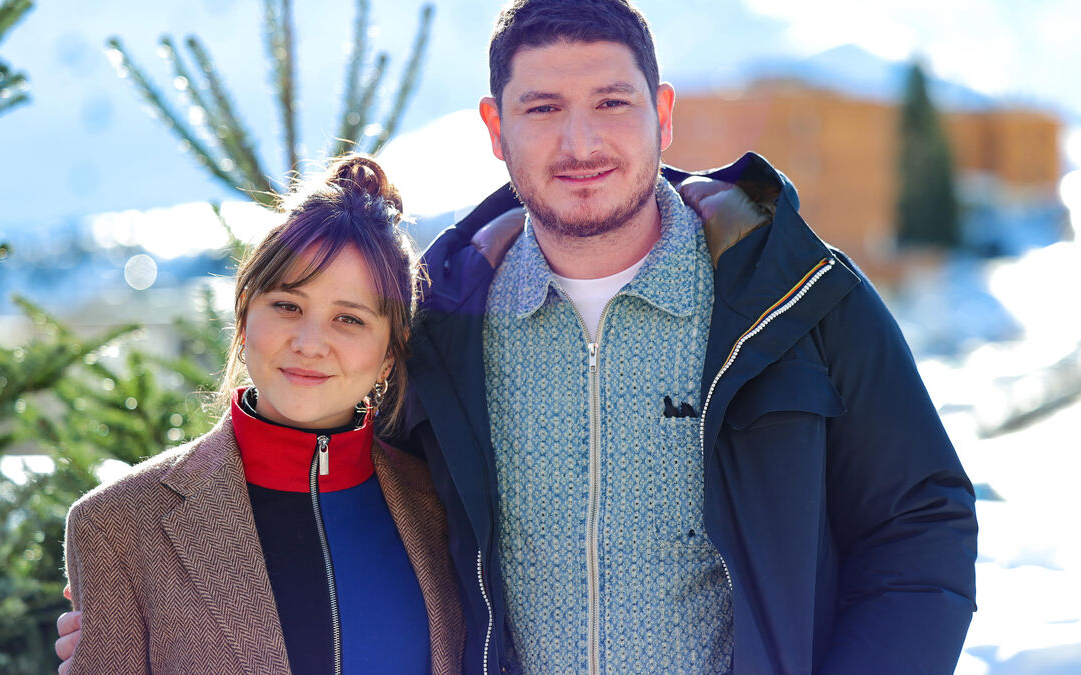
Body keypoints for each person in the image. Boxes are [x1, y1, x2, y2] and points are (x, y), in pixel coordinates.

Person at [61, 0, 978, 672]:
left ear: (662, 115)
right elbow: (329, 483)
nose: (580, 140)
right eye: (541, 108)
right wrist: (140, 605)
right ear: (496, 131)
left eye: (611, 104)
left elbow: (923, 520)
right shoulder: (445, 324)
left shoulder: (797, 297)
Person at [59, 155, 463, 674]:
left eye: (349, 319)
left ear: (390, 351)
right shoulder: (120, 526)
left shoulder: (440, 508)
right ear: (245, 315)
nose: (310, 343)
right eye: (287, 306)